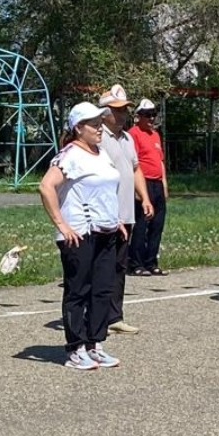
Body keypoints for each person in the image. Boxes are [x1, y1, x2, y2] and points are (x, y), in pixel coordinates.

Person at [39, 102, 124, 370]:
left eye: (101, 123)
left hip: (106, 231)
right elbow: (46, 187)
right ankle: (75, 348)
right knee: (78, 290)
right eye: (94, 125)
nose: (100, 129)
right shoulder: (70, 155)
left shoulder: (101, 153)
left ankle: (94, 343)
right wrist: (62, 225)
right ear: (78, 128)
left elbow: (105, 190)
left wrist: (116, 220)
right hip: (79, 233)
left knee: (103, 289)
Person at [99, 84, 151, 334]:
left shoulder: (127, 138)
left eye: (124, 110)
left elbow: (135, 169)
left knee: (119, 266)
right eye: (117, 110)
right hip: (103, 214)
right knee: (101, 266)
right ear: (104, 112)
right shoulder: (98, 138)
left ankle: (114, 316)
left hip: (126, 212)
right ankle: (96, 316)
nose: (122, 115)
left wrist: (145, 197)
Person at [128, 98, 168, 275]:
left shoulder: (155, 135)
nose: (151, 118)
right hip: (144, 183)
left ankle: (151, 261)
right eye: (147, 115)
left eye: (153, 114)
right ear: (139, 116)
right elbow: (133, 163)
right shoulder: (133, 134)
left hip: (157, 183)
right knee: (141, 225)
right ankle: (136, 263)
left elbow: (160, 161)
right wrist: (138, 190)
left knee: (157, 225)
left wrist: (164, 184)